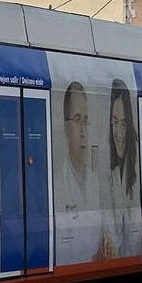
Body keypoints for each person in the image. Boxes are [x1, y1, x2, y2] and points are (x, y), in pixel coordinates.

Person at [54, 81, 103, 264]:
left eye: (85, 121)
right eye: (77, 120)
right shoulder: (57, 184)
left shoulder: (94, 181)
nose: (83, 131)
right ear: (66, 128)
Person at [104, 79, 140, 257]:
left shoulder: (139, 168)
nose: (118, 133)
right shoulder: (108, 169)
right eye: (114, 122)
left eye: (124, 124)